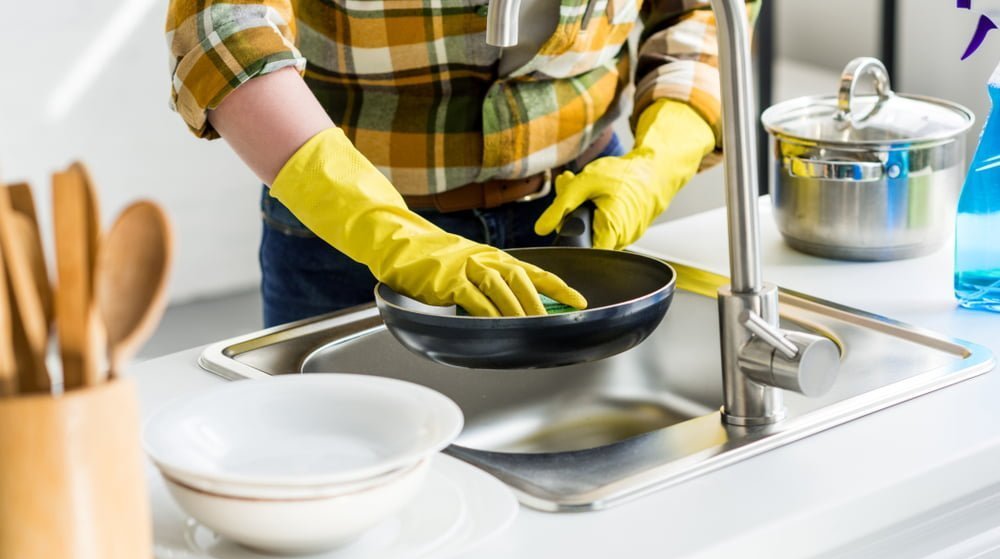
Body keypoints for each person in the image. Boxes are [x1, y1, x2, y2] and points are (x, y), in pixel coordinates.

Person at [166, 0, 759, 326]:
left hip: (576, 218)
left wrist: (659, 162)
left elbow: (699, 10)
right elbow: (225, 32)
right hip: (346, 238)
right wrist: (389, 235)